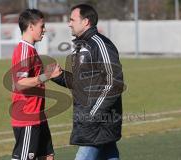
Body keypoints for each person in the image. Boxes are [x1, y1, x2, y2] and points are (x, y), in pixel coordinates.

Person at [52, 4, 124, 160]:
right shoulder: (81, 46)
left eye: (72, 19)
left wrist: (93, 113)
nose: (69, 23)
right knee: (110, 154)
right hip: (89, 120)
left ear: (85, 22)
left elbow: (114, 83)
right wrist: (59, 76)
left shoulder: (100, 44)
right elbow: (82, 83)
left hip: (98, 121)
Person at [10, 9, 62, 160]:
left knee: (47, 156)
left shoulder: (31, 50)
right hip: (27, 117)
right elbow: (19, 84)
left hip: (38, 115)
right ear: (31, 26)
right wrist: (47, 75)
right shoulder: (24, 50)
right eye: (42, 26)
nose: (44, 30)